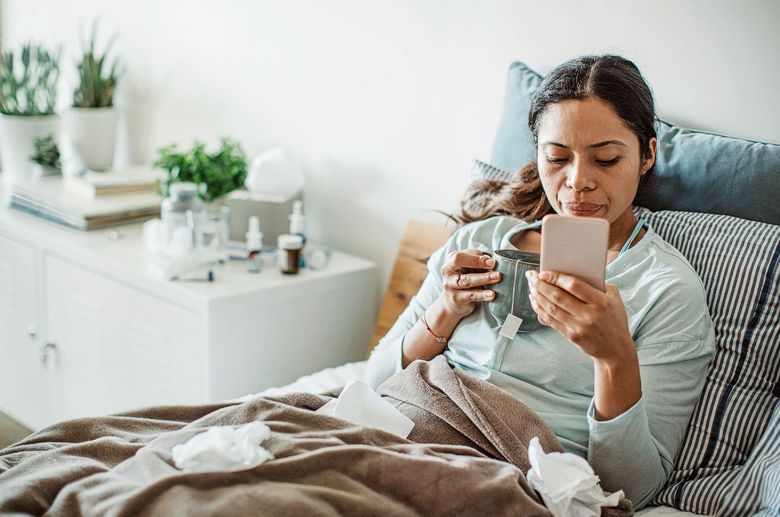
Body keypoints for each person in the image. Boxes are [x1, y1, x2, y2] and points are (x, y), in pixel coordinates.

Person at [365, 55, 715, 509]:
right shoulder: (480, 240)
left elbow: (634, 486)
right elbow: (373, 383)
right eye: (556, 158)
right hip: (406, 429)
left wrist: (614, 359)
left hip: (509, 474)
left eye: (606, 159)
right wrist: (444, 313)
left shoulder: (665, 290)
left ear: (647, 154)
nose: (577, 183)